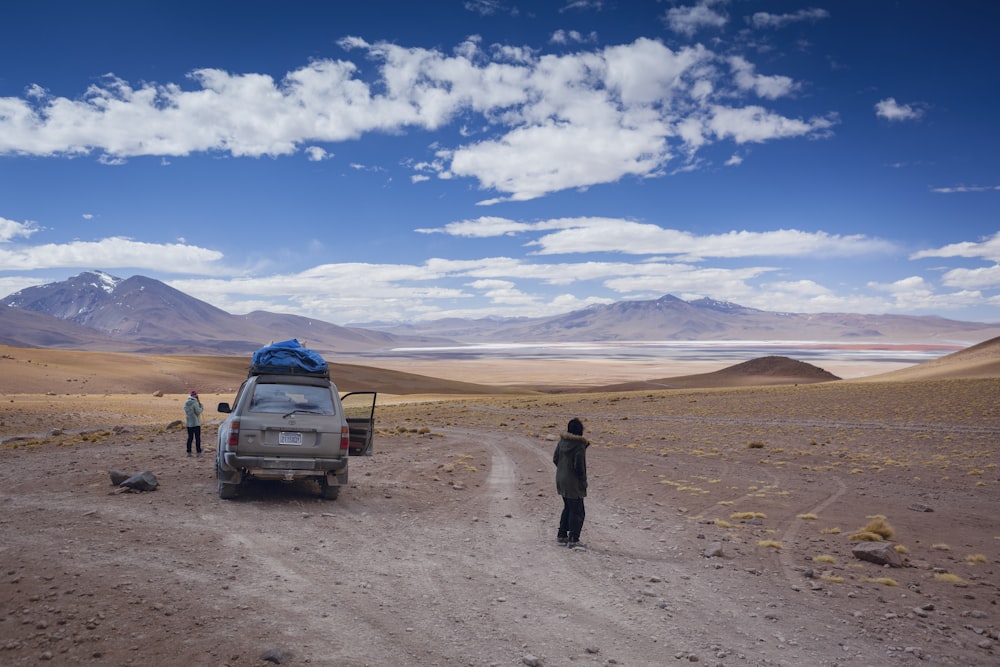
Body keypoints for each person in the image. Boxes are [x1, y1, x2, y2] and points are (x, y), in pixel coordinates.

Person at [553, 417, 590, 548]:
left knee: (568, 507)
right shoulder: (579, 446)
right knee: (578, 511)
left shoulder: (562, 442)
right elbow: (579, 466)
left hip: (561, 479)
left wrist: (563, 470)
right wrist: (583, 482)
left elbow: (555, 458)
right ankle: (574, 539)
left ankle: (562, 536)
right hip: (573, 483)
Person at [184, 390, 204, 457]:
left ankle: (188, 452)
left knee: (190, 438)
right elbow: (198, 412)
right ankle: (198, 452)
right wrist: (201, 407)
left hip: (189, 424)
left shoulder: (186, 403)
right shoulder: (195, 402)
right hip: (196, 424)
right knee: (197, 438)